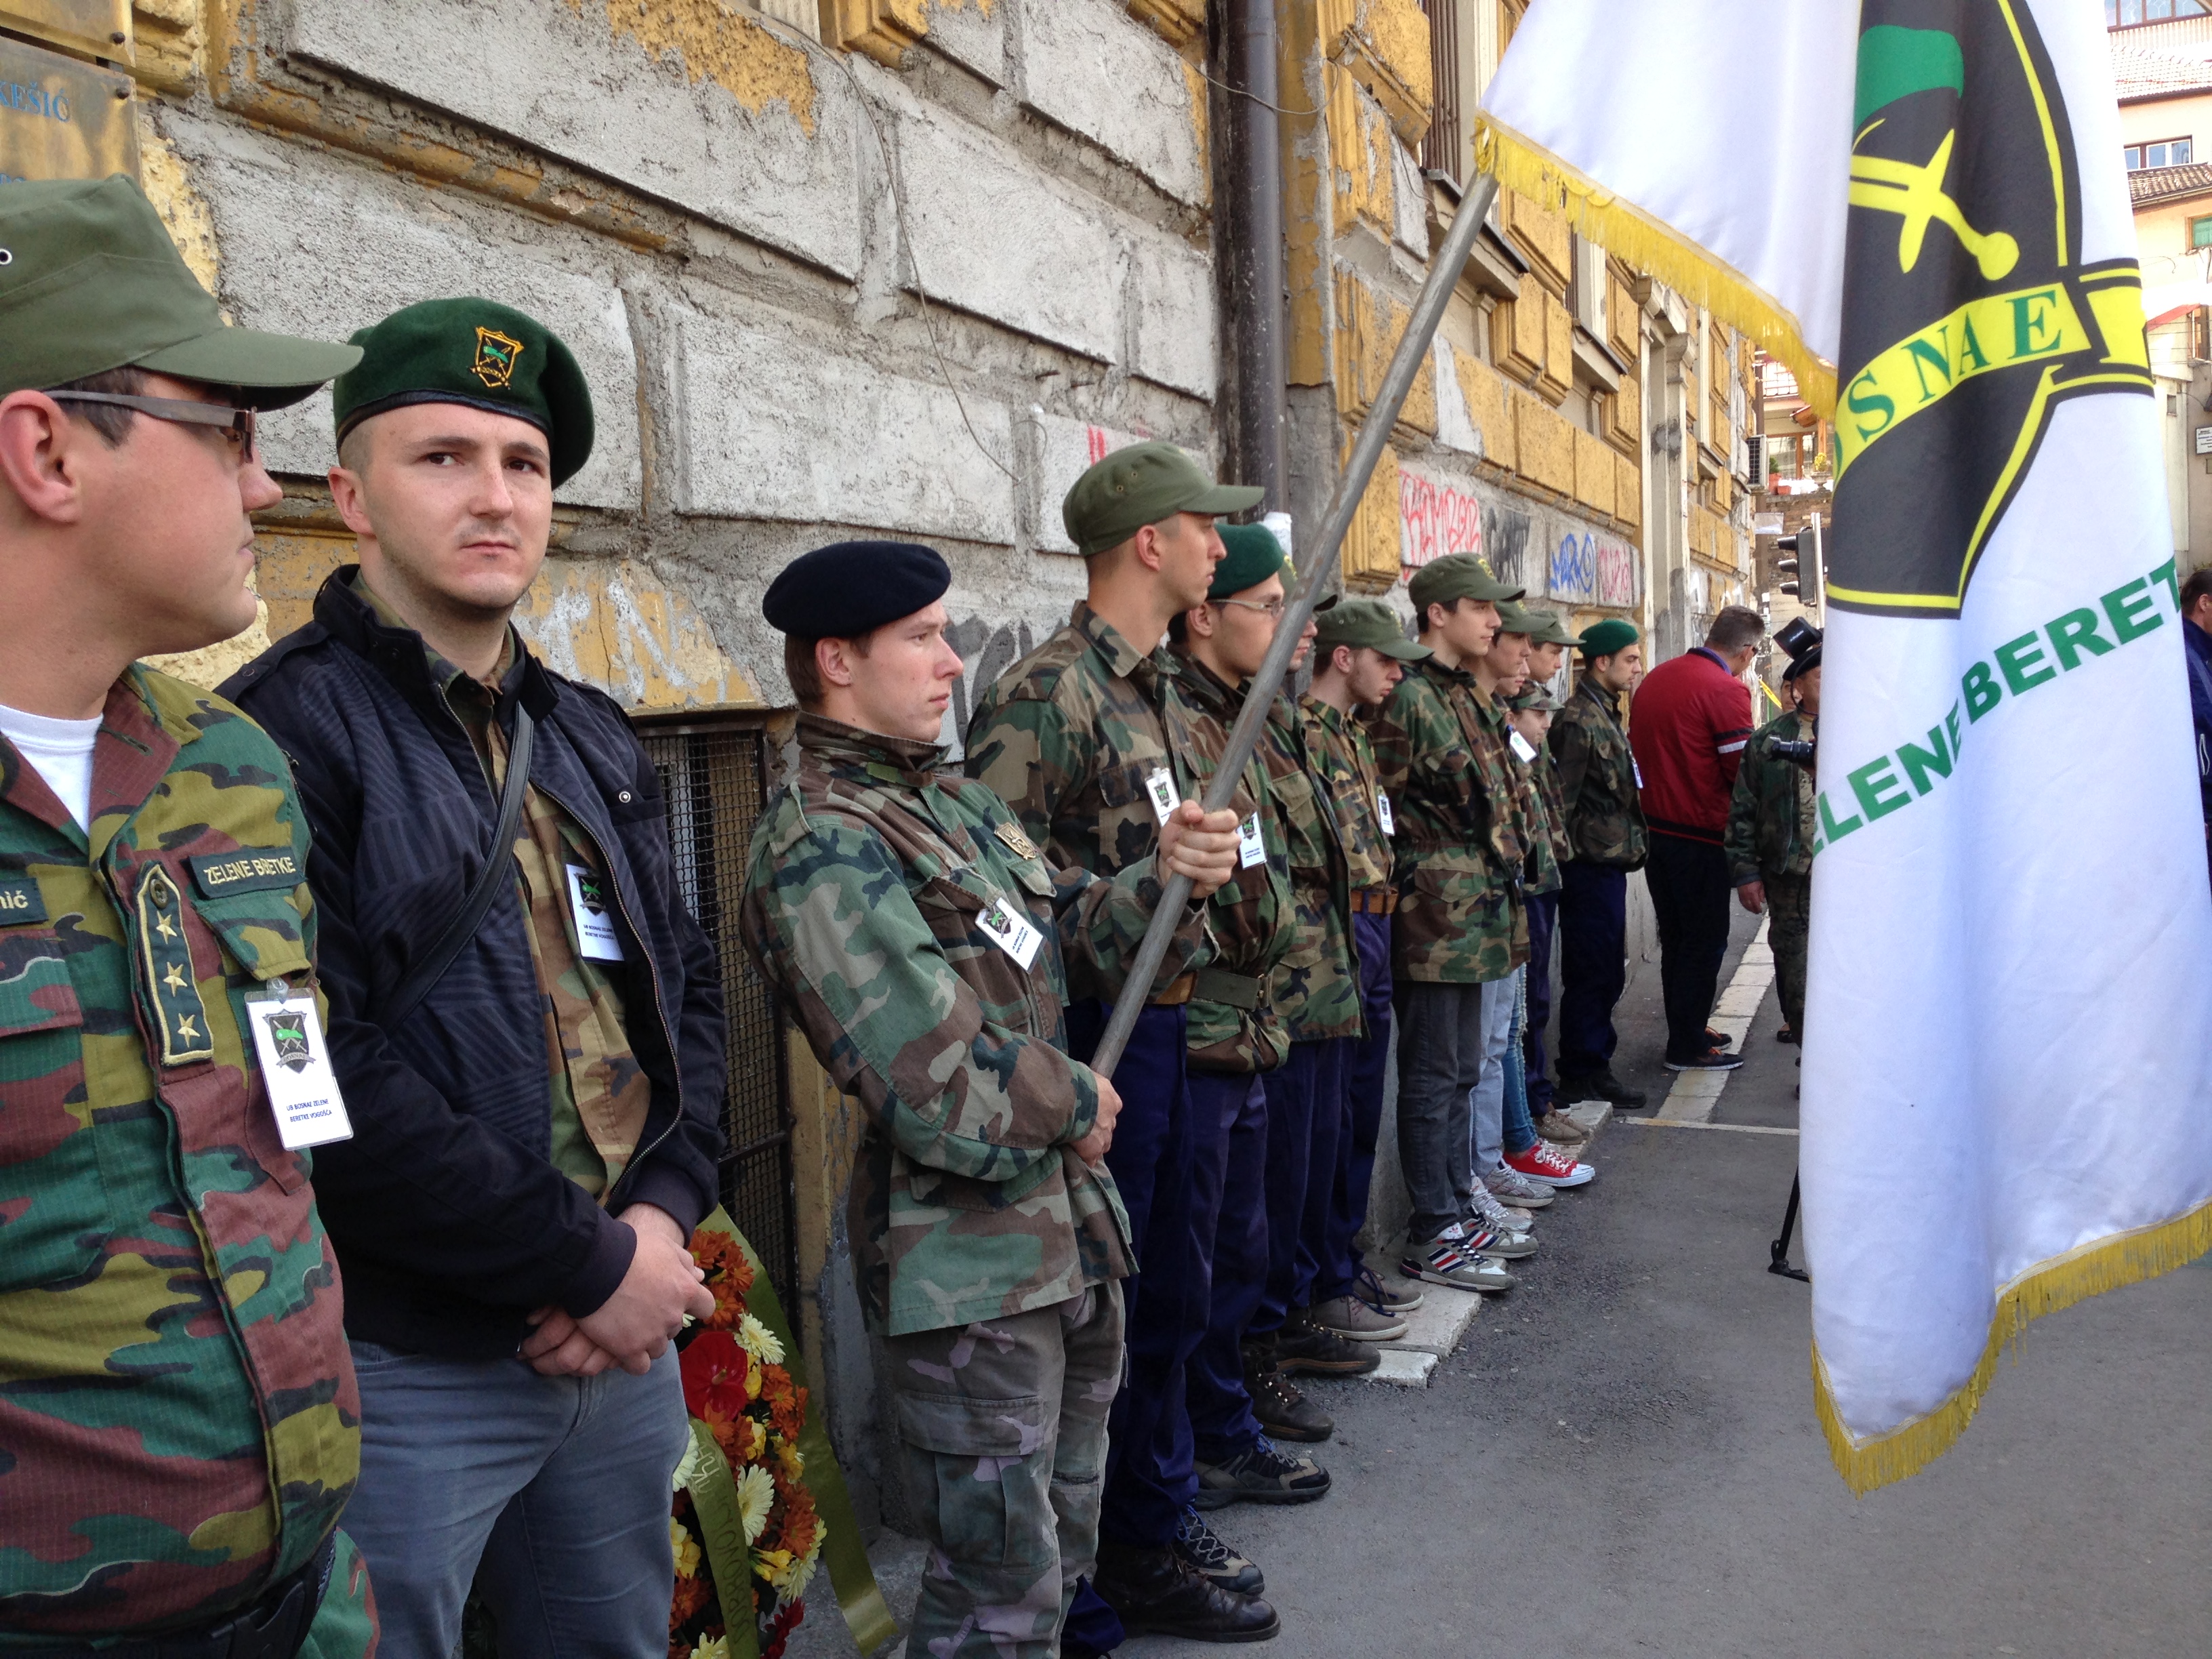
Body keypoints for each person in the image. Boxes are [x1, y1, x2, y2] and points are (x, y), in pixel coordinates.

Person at [221, 299, 726, 1659]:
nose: (494, 497)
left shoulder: (589, 733)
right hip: (411, 1360)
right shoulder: (276, 739)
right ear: (350, 496)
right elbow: (315, 1076)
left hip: (620, 1330)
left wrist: (666, 1220)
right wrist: (584, 1259)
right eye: (443, 458)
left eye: (525, 465)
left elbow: (682, 995)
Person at [738, 540, 1243, 1659]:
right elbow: (929, 1078)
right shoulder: (823, 839)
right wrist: (1074, 1097)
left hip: (1061, 1234)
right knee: (993, 1588)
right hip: (966, 1269)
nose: (950, 661)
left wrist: (1164, 878)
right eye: (920, 638)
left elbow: (1065, 938)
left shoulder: (949, 804)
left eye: (944, 633)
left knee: (1054, 1562)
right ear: (833, 659)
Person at [0, 175, 378, 1654]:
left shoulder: (226, 764)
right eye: (224, 431)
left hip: (308, 1597)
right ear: (46, 449)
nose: (262, 486)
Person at [966, 442, 1279, 1642]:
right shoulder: (1047, 691)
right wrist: (1133, 883)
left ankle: (1148, 1520)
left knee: (1166, 1293)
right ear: (1148, 542)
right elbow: (990, 887)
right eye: (1205, 525)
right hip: (1098, 1035)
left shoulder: (1150, 684)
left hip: (1172, 1020)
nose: (1222, 544)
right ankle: (1102, 1557)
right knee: (1107, 1305)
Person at [1160, 525, 1334, 1591]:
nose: (1288, 627)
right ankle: (1198, 1448)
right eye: (1266, 606)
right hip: (1197, 1029)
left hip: (1258, 1022)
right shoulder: (1181, 719)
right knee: (1191, 1269)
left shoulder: (1247, 714)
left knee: (1237, 1249)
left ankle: (1221, 1424)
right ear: (1203, 614)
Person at [1370, 554, 1528, 1294]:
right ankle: (1432, 1227)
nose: (1495, 621)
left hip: (1476, 913)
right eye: (1480, 607)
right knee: (1435, 1075)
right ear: (1438, 613)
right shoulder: (1409, 699)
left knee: (1464, 1070)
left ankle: (1458, 1205)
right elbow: (1386, 812)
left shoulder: (1463, 695)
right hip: (1433, 914)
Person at [1296, 600, 1430, 1341]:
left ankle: (1340, 1263)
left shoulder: (1351, 733)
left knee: (1357, 1110)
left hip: (1374, 922)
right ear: (1343, 658)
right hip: (1337, 927)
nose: (1396, 671)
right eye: (1384, 658)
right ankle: (1321, 1279)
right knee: (1331, 1115)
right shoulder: (1302, 734)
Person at [1629, 605, 1763, 1072]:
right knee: (1704, 942)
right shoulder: (1725, 689)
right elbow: (1742, 774)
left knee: (1678, 939)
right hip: (1700, 835)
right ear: (1747, 651)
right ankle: (1687, 1046)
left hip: (1656, 831)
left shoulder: (1658, 678)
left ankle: (1688, 1025)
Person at [1550, 619, 1650, 1107]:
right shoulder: (1577, 720)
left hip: (1608, 865)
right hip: (1585, 868)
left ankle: (1596, 1064)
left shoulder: (1604, 711)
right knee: (1591, 970)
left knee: (1608, 969)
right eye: (1630, 659)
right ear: (1602, 662)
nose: (1638, 667)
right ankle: (1581, 1069)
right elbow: (1560, 803)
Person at [1725, 630, 1821, 1043]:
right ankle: (1808, 1052)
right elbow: (1743, 809)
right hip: (1790, 875)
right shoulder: (1771, 741)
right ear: (1797, 688)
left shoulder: (1867, 734)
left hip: (1854, 877)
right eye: (1819, 677)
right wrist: (1746, 872)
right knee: (1795, 963)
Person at [1515, 615, 1589, 1145]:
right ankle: (1531, 1107)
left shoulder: (1532, 726)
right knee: (1523, 1008)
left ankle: (1537, 1101)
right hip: (1524, 881)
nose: (1558, 660)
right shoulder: (1508, 720)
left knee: (1536, 1001)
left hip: (1544, 874)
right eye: (1550, 650)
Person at [2182, 567, 2212, 876]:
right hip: (2200, 818)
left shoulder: (2199, 654)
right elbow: (2195, 736)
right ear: (2205, 603)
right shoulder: (2184, 656)